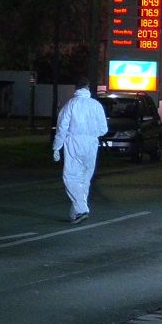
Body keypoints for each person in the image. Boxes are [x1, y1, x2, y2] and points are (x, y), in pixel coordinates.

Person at [52, 77, 109, 224]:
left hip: (73, 143)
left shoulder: (71, 105)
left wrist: (56, 147)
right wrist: (91, 134)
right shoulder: (96, 105)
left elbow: (62, 128)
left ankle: (82, 208)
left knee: (70, 177)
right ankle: (76, 212)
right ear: (88, 88)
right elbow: (104, 129)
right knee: (84, 178)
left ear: (76, 89)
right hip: (91, 144)